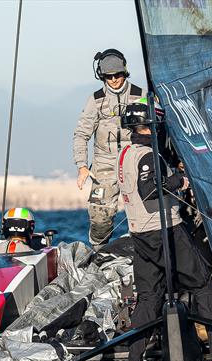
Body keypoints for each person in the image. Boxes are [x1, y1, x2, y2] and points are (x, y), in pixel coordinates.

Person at [117, 99, 212, 361]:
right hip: (165, 231)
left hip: (140, 234)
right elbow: (149, 189)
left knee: (149, 297)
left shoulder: (125, 153)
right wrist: (180, 180)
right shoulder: (147, 155)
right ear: (152, 125)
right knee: (203, 286)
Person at [73, 49, 145, 250]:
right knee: (99, 217)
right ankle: (98, 251)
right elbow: (81, 134)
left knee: (142, 213)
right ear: (102, 76)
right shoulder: (95, 100)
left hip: (135, 162)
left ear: (125, 72)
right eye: (108, 76)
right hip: (104, 166)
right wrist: (81, 166)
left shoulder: (140, 96)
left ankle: (142, 253)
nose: (114, 80)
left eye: (118, 75)